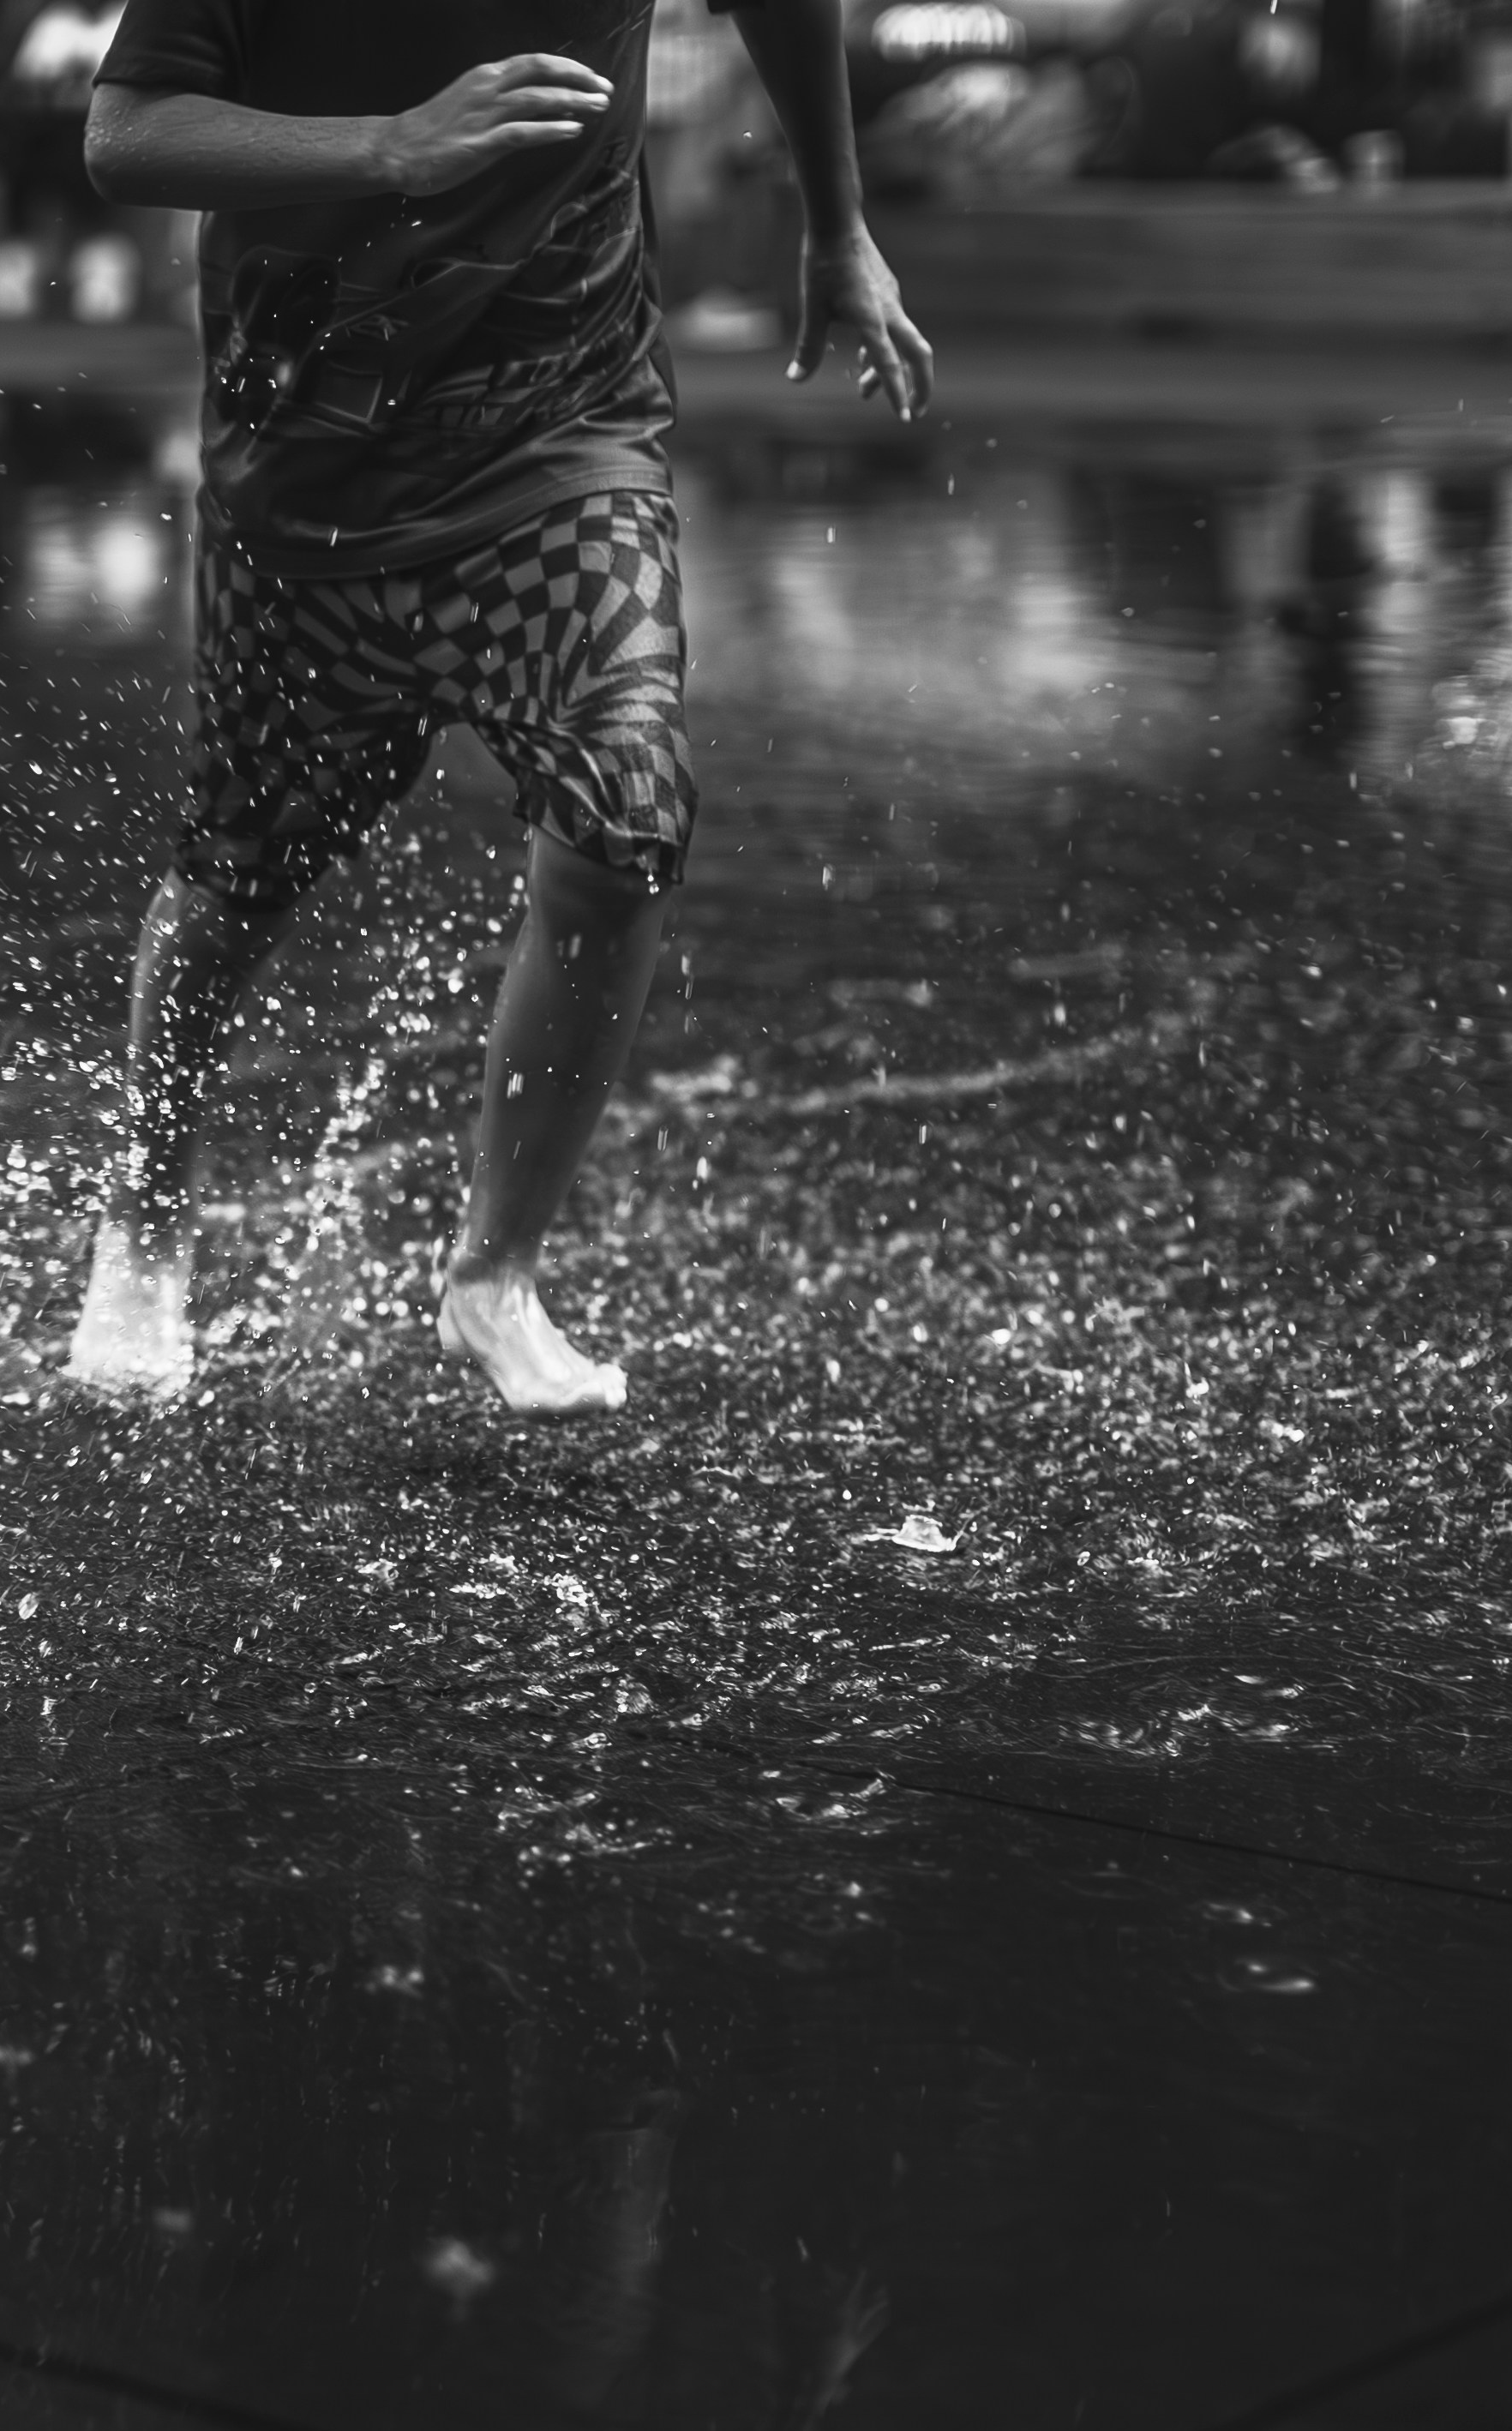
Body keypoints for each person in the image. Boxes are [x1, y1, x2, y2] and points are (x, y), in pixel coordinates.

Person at [61, 0, 931, 1413]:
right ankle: (146, 1211)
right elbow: (126, 132)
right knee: (235, 879)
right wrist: (391, 146)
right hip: (311, 474)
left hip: (564, 430)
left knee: (625, 809)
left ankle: (493, 1277)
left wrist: (837, 226)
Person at [0, 0, 131, 324]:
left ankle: (100, 263)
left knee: (80, 150)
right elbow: (23, 83)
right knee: (21, 147)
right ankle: (18, 256)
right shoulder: (56, 19)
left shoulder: (132, 16)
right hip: (53, 129)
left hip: (114, 128)